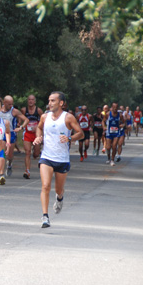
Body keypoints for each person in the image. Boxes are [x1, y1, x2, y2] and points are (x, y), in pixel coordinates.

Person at [33, 91, 83, 228]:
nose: (50, 103)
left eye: (53, 101)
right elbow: (39, 128)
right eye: (49, 100)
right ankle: (45, 216)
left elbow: (80, 133)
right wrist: (38, 137)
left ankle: (60, 198)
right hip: (47, 157)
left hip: (62, 159)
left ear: (61, 103)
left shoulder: (68, 118)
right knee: (45, 185)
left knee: (58, 189)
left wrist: (70, 138)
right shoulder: (44, 117)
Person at [0, 95, 28, 184]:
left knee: (9, 155)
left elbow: (26, 120)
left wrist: (21, 127)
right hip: (1, 134)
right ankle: (1, 175)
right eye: (9, 104)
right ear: (4, 103)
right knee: (2, 153)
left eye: (12, 104)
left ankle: (10, 164)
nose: (11, 106)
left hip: (11, 134)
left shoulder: (14, 111)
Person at [21, 95, 44, 179]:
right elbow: (21, 120)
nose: (30, 101)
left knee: (36, 154)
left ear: (35, 101)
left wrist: (38, 127)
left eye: (32, 100)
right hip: (27, 133)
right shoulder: (24, 110)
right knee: (27, 152)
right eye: (29, 100)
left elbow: (43, 121)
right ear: (27, 101)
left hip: (36, 134)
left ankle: (37, 154)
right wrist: (20, 125)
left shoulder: (38, 110)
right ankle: (27, 171)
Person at [103, 102, 124, 166]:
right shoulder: (108, 114)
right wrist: (104, 127)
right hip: (109, 133)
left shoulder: (120, 115)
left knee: (114, 146)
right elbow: (103, 121)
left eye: (116, 107)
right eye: (114, 107)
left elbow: (123, 122)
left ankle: (112, 160)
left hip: (116, 133)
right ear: (111, 107)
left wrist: (122, 125)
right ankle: (109, 158)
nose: (115, 109)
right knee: (108, 147)